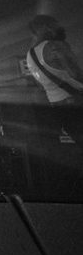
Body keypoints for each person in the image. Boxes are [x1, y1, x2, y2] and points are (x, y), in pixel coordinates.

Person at [25, 14, 83, 195]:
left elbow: (38, 84)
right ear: (47, 27)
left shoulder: (30, 55)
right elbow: (75, 73)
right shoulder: (56, 46)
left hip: (58, 106)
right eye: (55, 25)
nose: (59, 28)